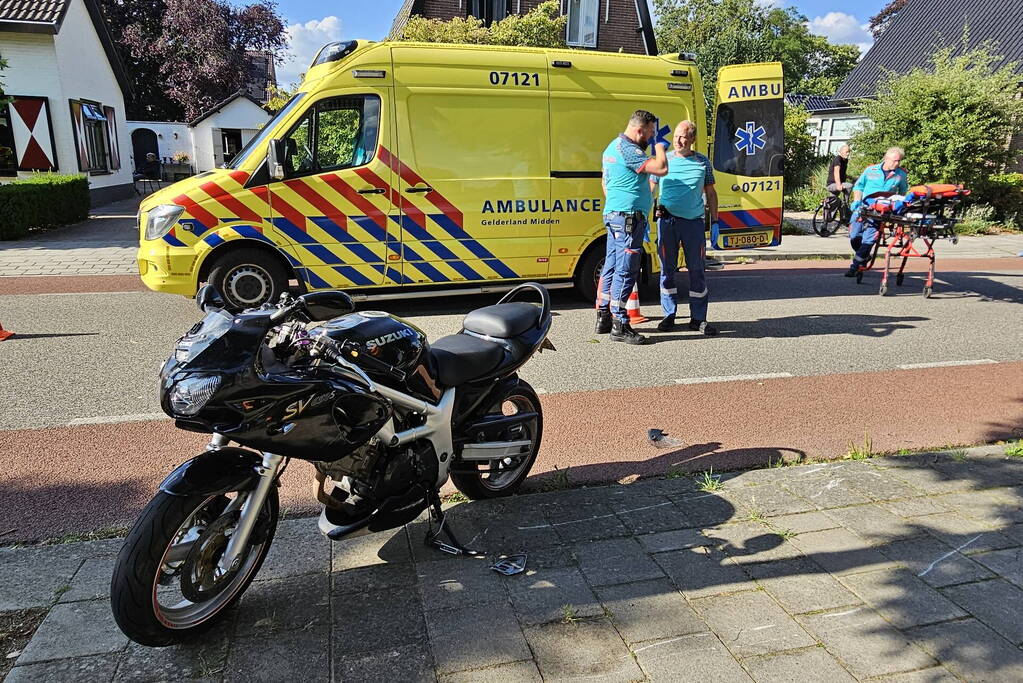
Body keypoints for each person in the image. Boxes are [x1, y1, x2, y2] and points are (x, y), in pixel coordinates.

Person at [595, 110, 668, 345]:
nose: (651, 137)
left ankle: (603, 316)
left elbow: (605, 183)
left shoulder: (611, 147)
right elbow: (661, 169)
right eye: (650, 132)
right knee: (627, 269)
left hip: (615, 215)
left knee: (611, 266)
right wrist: (659, 146)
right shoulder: (629, 149)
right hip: (628, 219)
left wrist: (618, 202)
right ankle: (619, 323)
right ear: (640, 130)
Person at [650, 120, 719, 335]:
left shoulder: (702, 162)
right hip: (668, 223)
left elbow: (711, 193)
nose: (679, 140)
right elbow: (650, 189)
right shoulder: (663, 160)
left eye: (684, 136)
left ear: (692, 139)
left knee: (697, 270)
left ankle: (698, 318)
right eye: (677, 136)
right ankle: (669, 315)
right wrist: (644, 215)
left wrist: (715, 222)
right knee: (667, 270)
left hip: (693, 224)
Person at [845, 147, 909, 276]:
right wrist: (856, 201)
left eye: (899, 161)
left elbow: (902, 193)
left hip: (881, 212)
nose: (897, 164)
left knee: (868, 240)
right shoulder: (871, 170)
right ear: (886, 159)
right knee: (854, 237)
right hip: (863, 208)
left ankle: (855, 266)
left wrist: (898, 207)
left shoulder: (900, 174)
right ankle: (863, 256)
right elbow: (859, 186)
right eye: (894, 161)